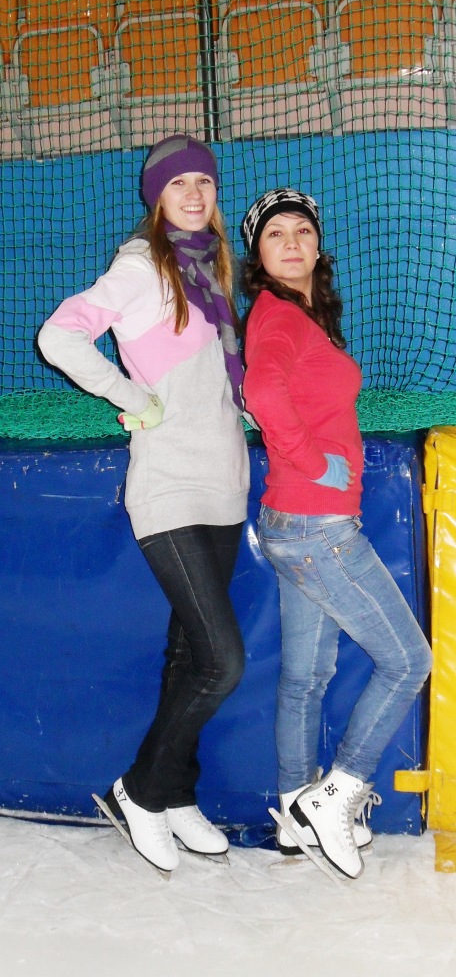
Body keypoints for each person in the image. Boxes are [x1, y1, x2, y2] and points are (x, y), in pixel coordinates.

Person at [38, 134, 250, 874]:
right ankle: (139, 790)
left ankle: (175, 794)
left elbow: (218, 382)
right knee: (224, 662)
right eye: (177, 184)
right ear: (156, 198)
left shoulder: (214, 271)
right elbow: (59, 335)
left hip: (225, 484)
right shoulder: (140, 267)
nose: (193, 194)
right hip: (168, 486)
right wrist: (130, 395)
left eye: (204, 182)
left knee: (189, 655)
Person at [241, 188, 432, 880]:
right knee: (409, 662)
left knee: (306, 677)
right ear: (258, 256)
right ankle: (339, 791)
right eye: (275, 235)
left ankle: (296, 813)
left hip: (295, 521)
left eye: (302, 230)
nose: (291, 242)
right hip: (316, 523)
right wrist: (311, 461)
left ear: (318, 245)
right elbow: (262, 394)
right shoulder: (277, 317)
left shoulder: (299, 317)